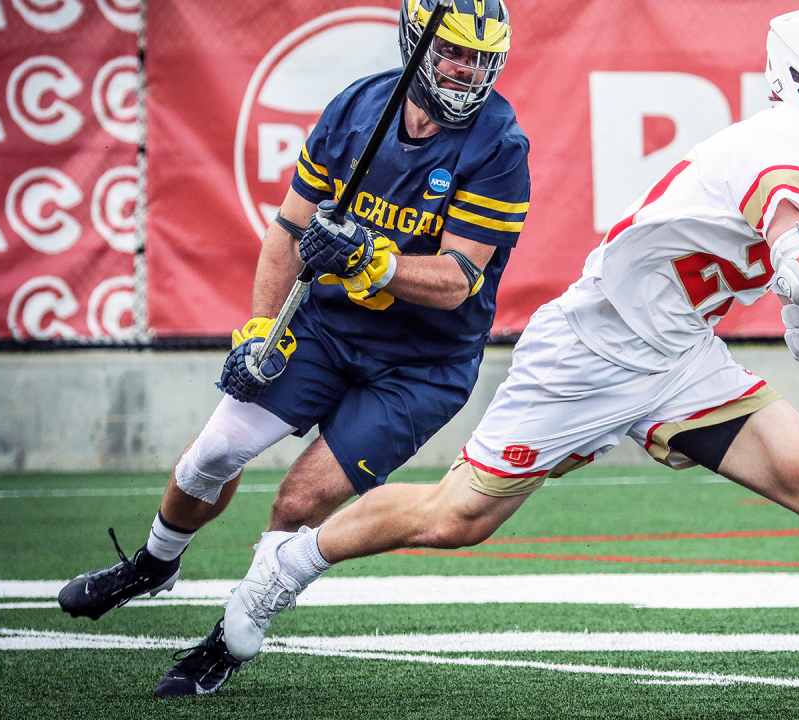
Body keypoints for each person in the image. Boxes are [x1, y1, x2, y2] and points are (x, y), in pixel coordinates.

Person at [222, 8, 799, 716]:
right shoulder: (786, 142)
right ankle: (291, 562)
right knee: (454, 519)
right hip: (592, 353)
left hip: (677, 355)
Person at [56, 0, 528, 698]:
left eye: (483, 58)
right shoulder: (358, 110)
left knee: (300, 498)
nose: (468, 71)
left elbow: (458, 280)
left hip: (419, 365)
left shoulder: (499, 144)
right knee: (212, 454)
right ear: (416, 43)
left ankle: (232, 635)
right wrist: (259, 328)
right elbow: (286, 231)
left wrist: (375, 258)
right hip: (329, 327)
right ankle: (155, 563)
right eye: (455, 52)